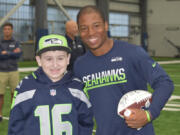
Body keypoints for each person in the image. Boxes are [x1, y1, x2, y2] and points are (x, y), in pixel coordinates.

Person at [73, 5, 174, 135]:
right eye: (84, 28)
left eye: (96, 25)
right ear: (79, 31)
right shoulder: (80, 65)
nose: (91, 32)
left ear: (106, 25)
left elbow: (165, 82)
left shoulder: (132, 53)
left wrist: (149, 114)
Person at [8, 34, 93, 135]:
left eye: (60, 58)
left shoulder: (77, 88)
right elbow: (15, 126)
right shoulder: (25, 87)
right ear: (39, 60)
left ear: (68, 58)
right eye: (48, 59)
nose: (55, 64)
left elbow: (85, 124)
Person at [0, 22, 22, 122]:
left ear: (12, 30)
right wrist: (12, 53)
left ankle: (14, 113)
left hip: (14, 71)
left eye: (9, 29)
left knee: (15, 94)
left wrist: (6, 53)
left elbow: (19, 54)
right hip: (2, 71)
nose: (7, 31)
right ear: (3, 30)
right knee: (0, 94)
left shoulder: (16, 42)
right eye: (5, 29)